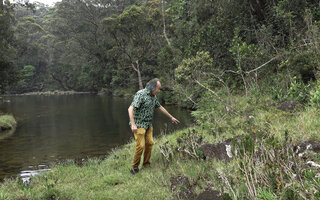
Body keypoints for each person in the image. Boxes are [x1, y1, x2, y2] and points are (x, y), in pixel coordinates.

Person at [128, 78, 180, 174]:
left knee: (150, 143)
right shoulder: (141, 94)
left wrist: (171, 117)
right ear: (152, 88)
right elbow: (130, 109)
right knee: (140, 146)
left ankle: (146, 164)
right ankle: (135, 168)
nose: (159, 91)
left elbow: (160, 107)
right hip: (139, 125)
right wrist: (133, 125)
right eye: (158, 88)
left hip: (148, 124)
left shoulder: (153, 96)